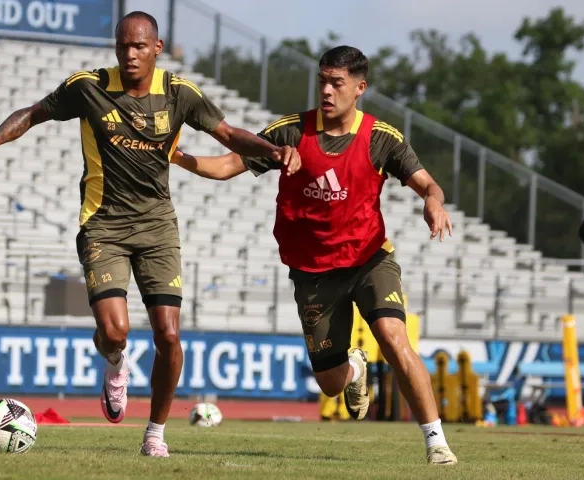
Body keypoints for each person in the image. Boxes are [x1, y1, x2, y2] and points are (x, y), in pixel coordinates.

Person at [0, 11, 296, 458]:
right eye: (123, 46)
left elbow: (229, 134)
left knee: (169, 336)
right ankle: (114, 365)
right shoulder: (88, 87)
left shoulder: (180, 94)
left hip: (158, 226)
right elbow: (34, 113)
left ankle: (155, 432)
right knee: (115, 332)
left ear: (156, 48)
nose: (130, 54)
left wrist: (274, 151)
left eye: (139, 46)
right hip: (104, 224)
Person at [172, 45, 459, 465]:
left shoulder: (382, 138)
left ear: (359, 88)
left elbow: (429, 185)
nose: (326, 90)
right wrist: (178, 156)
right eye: (322, 80)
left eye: (336, 83)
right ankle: (355, 369)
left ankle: (437, 444)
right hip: (313, 273)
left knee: (395, 340)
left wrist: (433, 202)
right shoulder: (291, 132)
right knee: (329, 383)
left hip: (370, 259)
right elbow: (229, 165)